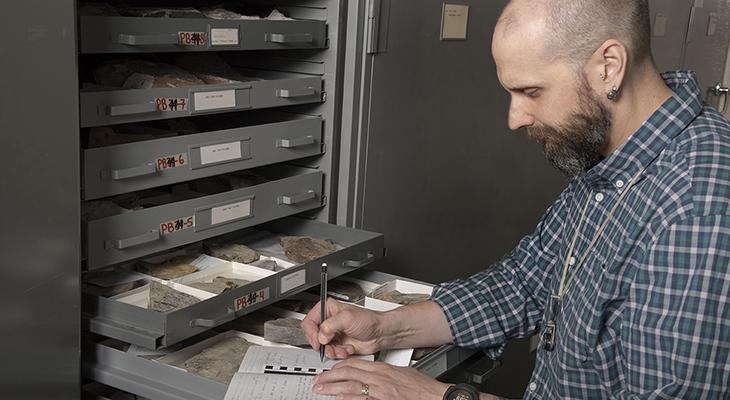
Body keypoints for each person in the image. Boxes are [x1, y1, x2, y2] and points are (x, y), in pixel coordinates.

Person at [302, 0, 730, 398]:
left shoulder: (698, 211)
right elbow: (523, 284)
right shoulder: (614, 159)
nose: (515, 118)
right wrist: (384, 329)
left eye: (531, 92)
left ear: (609, 66)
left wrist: (439, 394)